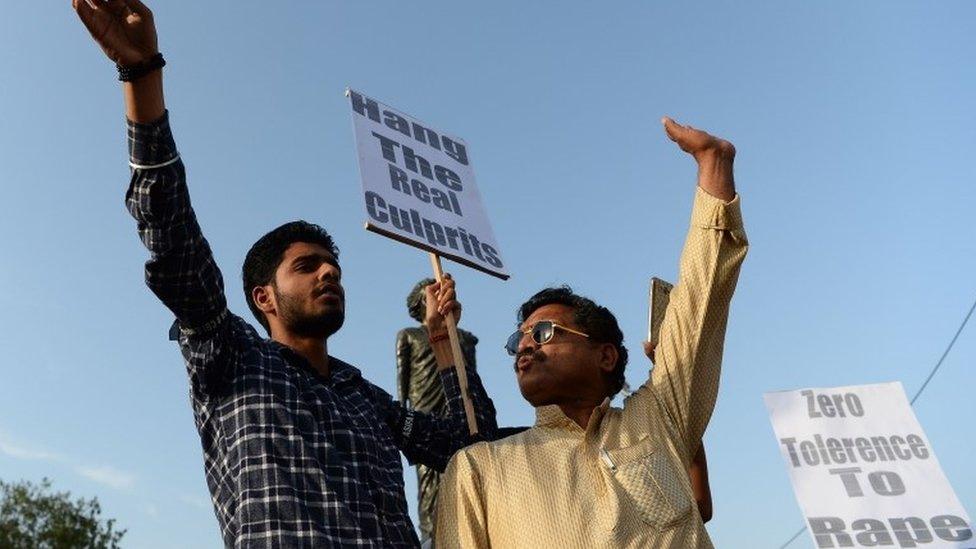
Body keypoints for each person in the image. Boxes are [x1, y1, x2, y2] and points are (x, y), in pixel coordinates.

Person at [72, 1, 496, 546]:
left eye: (334, 266)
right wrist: (141, 77)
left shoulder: (365, 399)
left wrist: (444, 343)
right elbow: (176, 246)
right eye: (307, 266)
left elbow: (473, 447)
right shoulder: (230, 357)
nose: (329, 274)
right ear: (263, 296)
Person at [436, 118, 748, 548]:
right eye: (518, 339)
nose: (524, 345)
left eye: (544, 332)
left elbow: (701, 304)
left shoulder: (658, 422)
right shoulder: (480, 468)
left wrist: (713, 164)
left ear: (606, 356)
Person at [396, 279, 480, 542]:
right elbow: (403, 377)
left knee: (466, 465)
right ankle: (432, 535)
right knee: (428, 475)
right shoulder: (408, 335)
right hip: (423, 407)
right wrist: (401, 415)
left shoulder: (463, 338)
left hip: (455, 403)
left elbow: (471, 378)